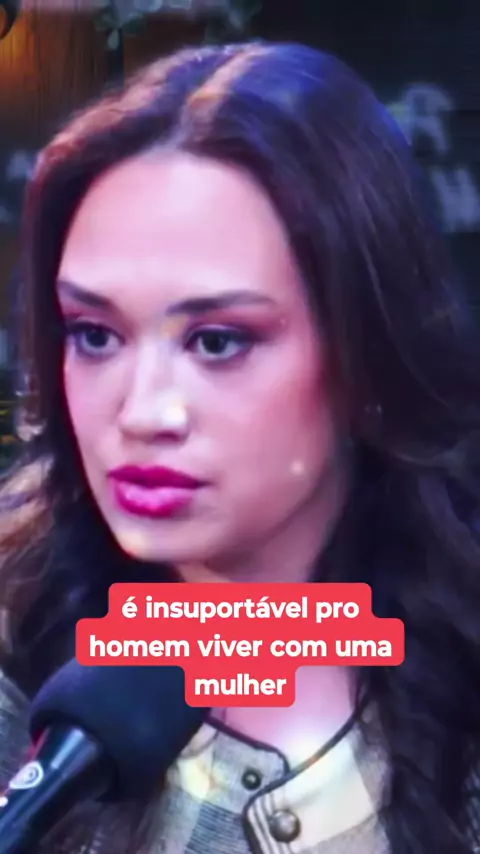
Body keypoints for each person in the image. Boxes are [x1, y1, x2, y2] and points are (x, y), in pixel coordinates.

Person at [0, 39, 478, 854]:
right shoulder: (20, 637)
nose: (141, 412)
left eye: (218, 341)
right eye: (95, 334)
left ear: (368, 350)